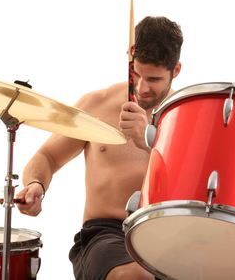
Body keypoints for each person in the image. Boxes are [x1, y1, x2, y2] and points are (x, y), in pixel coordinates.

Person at [16, 16, 183, 280]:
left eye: (153, 79)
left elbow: (200, 184)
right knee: (135, 277)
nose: (142, 87)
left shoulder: (188, 118)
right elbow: (47, 156)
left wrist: (150, 140)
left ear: (176, 71)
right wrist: (36, 184)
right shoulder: (96, 105)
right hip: (106, 234)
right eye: (136, 74)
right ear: (130, 56)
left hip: (168, 235)